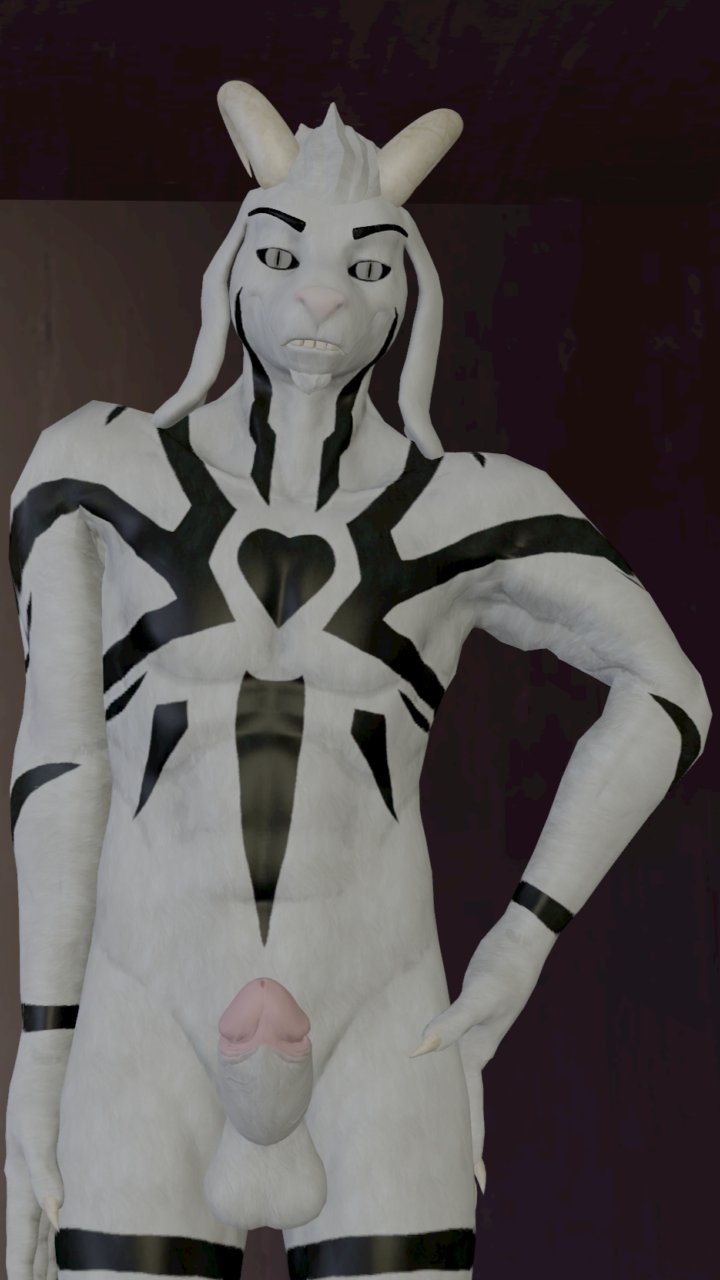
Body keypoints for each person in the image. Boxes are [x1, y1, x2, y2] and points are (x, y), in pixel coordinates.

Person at [5, 82, 711, 1280]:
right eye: (285, 255)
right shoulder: (91, 471)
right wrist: (43, 1048)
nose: (322, 294)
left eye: (366, 265)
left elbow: (668, 689)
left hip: (382, 1016)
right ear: (236, 266)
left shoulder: (470, 505)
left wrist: (517, 950)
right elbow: (60, 758)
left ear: (407, 292)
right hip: (144, 1007)